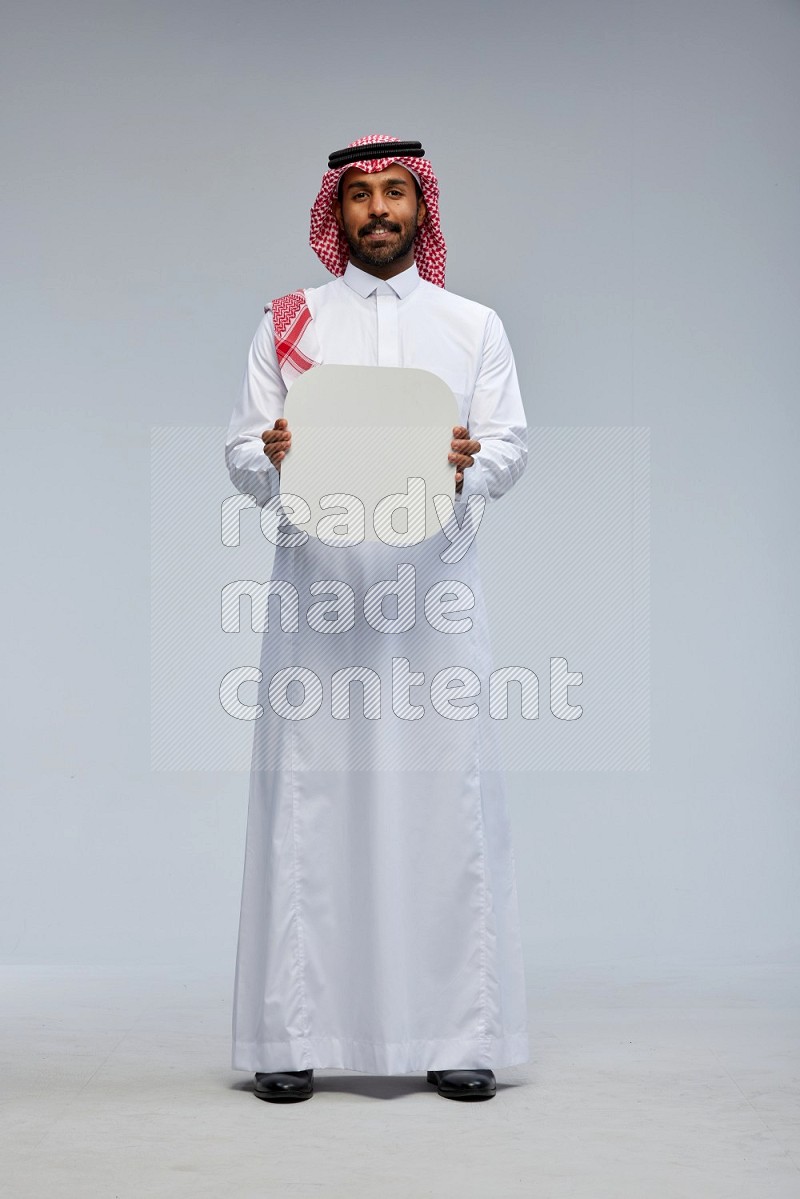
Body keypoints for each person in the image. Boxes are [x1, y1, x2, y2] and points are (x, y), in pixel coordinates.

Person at [224, 134, 529, 1103]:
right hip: (317, 598)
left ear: (421, 210)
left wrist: (461, 462)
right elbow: (238, 450)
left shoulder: (471, 324)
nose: (378, 210)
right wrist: (268, 449)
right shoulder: (287, 324)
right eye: (359, 196)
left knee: (443, 800)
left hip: (430, 597)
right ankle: (292, 1033)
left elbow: (508, 447)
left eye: (395, 193)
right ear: (337, 213)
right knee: (312, 803)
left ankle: (455, 1033)